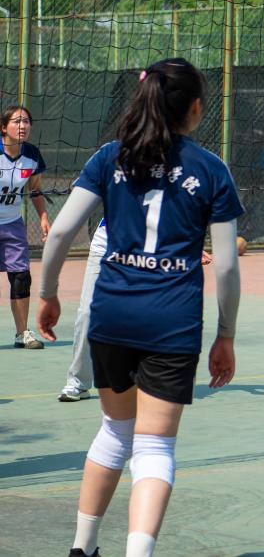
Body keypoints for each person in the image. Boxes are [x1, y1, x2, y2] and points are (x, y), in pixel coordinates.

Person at [37, 58, 244, 557]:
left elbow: (60, 232)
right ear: (195, 108)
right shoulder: (210, 169)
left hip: (112, 314)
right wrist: (226, 334)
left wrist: (47, 293)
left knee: (114, 431)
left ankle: (83, 548)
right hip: (171, 322)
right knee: (154, 446)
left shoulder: (110, 157)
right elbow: (226, 267)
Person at [58, 220, 215, 402]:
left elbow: (177, 213)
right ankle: (78, 382)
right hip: (107, 245)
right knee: (88, 314)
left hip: (151, 250)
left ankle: (158, 376)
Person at [0, 105, 50, 349]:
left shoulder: (31, 154)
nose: (23, 126)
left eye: (26, 121)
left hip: (12, 224)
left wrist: (43, 217)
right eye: (17, 121)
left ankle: (22, 333)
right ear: (3, 127)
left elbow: (35, 189)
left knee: (21, 277)